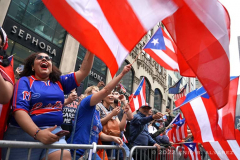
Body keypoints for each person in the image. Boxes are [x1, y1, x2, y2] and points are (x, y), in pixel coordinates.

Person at [2, 51, 94, 160]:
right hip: (23, 134)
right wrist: (38, 133)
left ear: (51, 67)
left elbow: (84, 71)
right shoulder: (24, 81)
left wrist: (91, 49)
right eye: (39, 57)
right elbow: (19, 111)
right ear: (32, 66)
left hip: (54, 133)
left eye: (48, 58)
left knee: (63, 155)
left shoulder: (60, 82)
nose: (44, 59)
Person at [67, 64, 132, 160]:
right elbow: (106, 90)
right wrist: (122, 73)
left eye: (98, 90)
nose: (98, 92)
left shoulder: (96, 112)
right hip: (77, 152)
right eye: (96, 91)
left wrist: (112, 138)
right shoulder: (85, 104)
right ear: (89, 94)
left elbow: (98, 133)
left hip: (90, 152)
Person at [97, 92, 132, 160]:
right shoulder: (98, 106)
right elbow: (97, 123)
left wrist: (125, 113)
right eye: (109, 94)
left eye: (112, 94)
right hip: (103, 141)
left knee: (128, 157)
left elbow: (120, 128)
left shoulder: (112, 110)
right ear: (103, 96)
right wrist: (111, 115)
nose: (111, 96)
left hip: (114, 140)